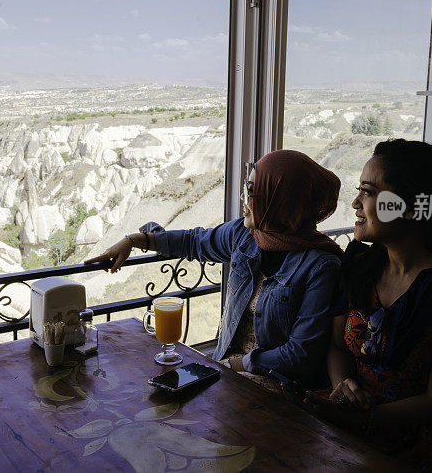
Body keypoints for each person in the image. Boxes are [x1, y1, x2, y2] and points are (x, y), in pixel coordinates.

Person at [86, 149, 345, 392]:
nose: (244, 199)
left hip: (278, 385)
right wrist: (135, 240)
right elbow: (193, 241)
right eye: (246, 188)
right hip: (226, 369)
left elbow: (300, 355)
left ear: (281, 200)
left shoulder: (320, 267)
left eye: (253, 191)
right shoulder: (245, 236)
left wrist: (236, 364)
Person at [305, 139, 432, 470]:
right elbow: (337, 347)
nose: (355, 203)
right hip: (354, 419)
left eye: (368, 192)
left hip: (419, 441)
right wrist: (341, 389)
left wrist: (362, 419)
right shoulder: (362, 266)